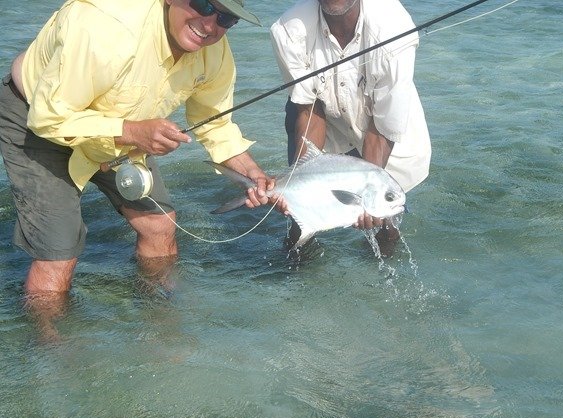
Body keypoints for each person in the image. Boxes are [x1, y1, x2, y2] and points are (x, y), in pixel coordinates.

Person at [0, 0, 275, 337]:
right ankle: (49, 350)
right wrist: (133, 131)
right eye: (203, 4)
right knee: (59, 249)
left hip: (114, 133)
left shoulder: (214, 52)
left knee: (160, 225)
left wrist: (252, 173)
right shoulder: (104, 26)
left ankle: (156, 317)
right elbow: (48, 116)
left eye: (226, 18)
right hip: (38, 119)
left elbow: (214, 125)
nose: (210, 24)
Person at [270, 0, 431, 256]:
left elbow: (383, 126)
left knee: (384, 222)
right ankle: (300, 248)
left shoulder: (394, 27)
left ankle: (378, 278)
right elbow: (310, 112)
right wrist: (297, 183)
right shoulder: (288, 30)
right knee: (297, 219)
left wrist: (367, 197)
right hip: (331, 124)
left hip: (385, 132)